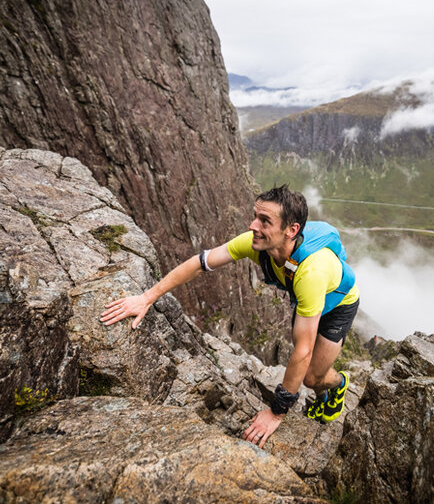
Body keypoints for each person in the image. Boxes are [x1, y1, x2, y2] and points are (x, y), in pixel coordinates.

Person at [100, 185, 360, 448]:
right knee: (310, 371)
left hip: (339, 304)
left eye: (265, 221)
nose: (252, 225)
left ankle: (338, 384)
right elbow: (200, 263)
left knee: (311, 376)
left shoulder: (311, 272)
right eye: (255, 216)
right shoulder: (257, 245)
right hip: (309, 301)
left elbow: (303, 351)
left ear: (291, 230)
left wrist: (276, 412)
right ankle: (322, 396)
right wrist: (146, 298)